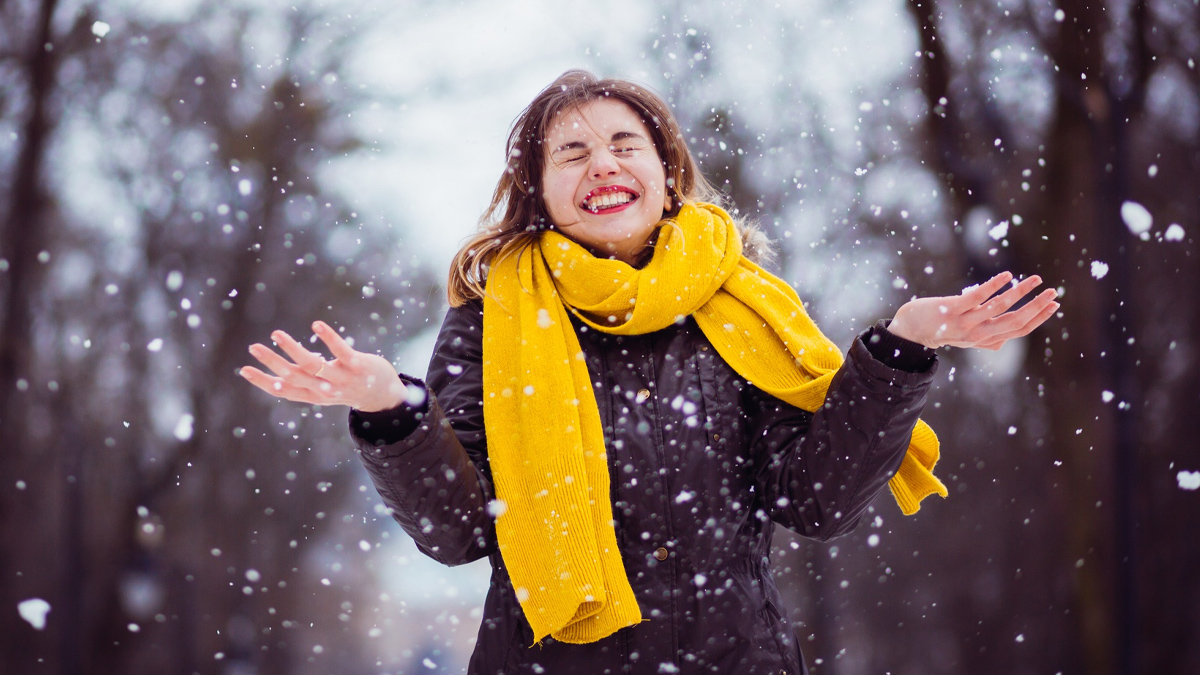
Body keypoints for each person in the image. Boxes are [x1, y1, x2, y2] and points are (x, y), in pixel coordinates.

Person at [240, 70, 1059, 674]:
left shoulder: (744, 305)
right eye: (572, 152)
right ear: (539, 192)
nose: (602, 163)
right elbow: (460, 532)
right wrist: (389, 409)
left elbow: (816, 500)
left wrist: (900, 349)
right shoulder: (492, 319)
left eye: (625, 145)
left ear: (666, 175)